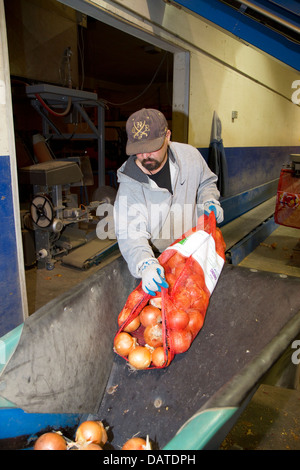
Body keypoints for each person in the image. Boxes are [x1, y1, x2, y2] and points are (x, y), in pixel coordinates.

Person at [113, 108, 224, 297]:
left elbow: (206, 182)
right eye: (138, 150)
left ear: (167, 136)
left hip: (194, 251)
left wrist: (209, 200)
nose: (145, 155)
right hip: (160, 260)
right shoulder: (129, 185)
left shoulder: (189, 157)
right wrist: (145, 263)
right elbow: (130, 233)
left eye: (152, 147)